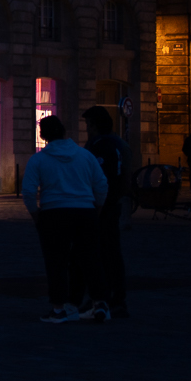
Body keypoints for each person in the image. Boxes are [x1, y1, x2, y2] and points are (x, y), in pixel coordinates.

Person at [20, 114, 108, 323]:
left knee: (56, 262)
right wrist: (96, 208)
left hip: (53, 212)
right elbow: (101, 184)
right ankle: (99, 303)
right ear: (63, 131)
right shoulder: (85, 155)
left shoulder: (39, 159)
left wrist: (36, 215)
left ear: (43, 136)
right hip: (85, 211)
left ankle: (58, 308)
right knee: (91, 259)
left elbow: (28, 191)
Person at [82, 106, 129, 320]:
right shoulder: (116, 144)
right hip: (111, 204)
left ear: (94, 125)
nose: (86, 129)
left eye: (88, 124)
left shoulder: (100, 146)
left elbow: (101, 180)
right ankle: (110, 298)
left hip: (102, 207)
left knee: (101, 254)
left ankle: (104, 299)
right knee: (110, 253)